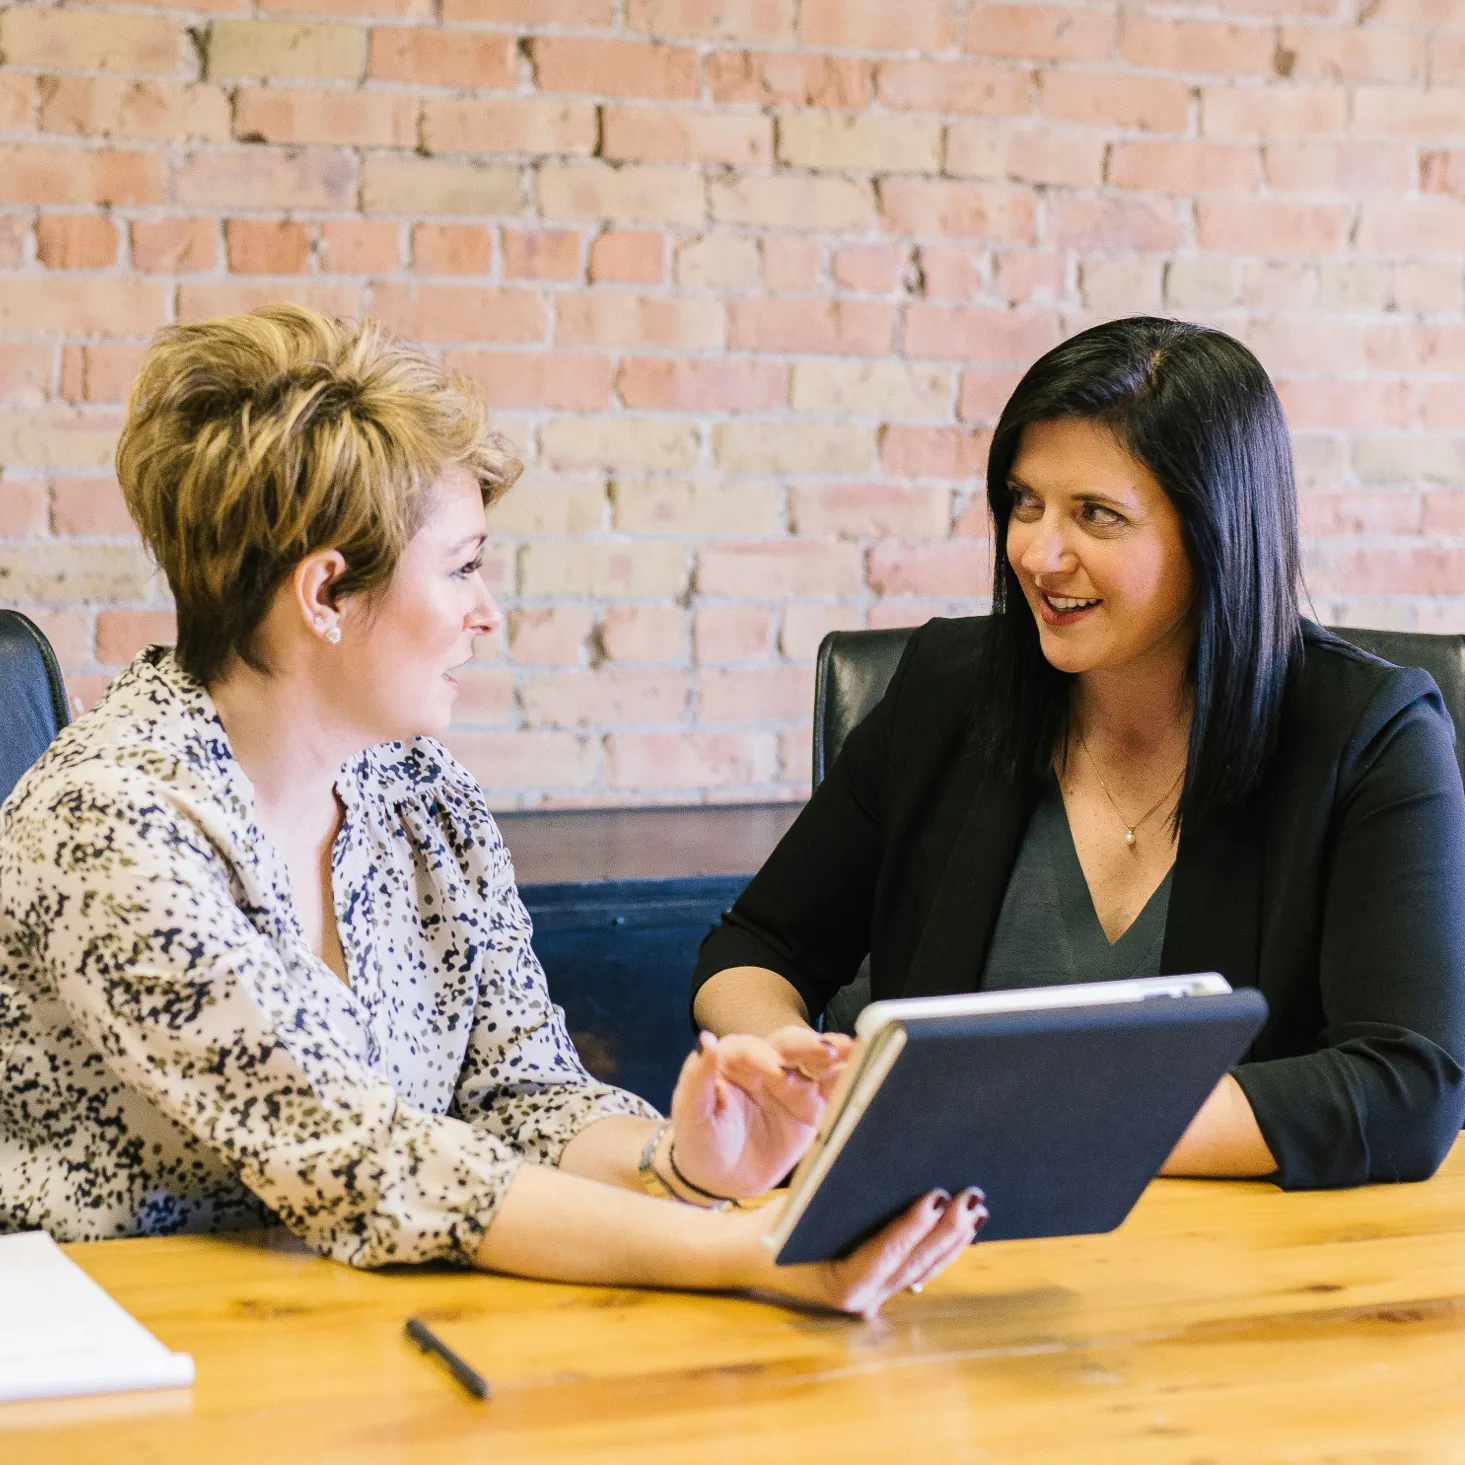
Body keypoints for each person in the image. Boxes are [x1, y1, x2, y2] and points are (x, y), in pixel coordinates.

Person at [0, 304, 984, 1316]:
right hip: (121, 1360)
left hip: (371, 1330)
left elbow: (520, 1095)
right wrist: (746, 1248)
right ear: (326, 593)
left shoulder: (421, 792)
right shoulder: (109, 824)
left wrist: (682, 1160)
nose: (489, 610)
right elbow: (368, 1164)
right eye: (464, 565)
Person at [693, 316, 1465, 1191]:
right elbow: (754, 945)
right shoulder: (947, 689)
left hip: (1239, 1268)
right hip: (937, 1254)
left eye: (1094, 515)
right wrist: (785, 1069)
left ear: (1215, 531)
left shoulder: (1369, 733)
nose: (1036, 552)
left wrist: (1016, 1124)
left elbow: (1405, 1084)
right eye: (1025, 502)